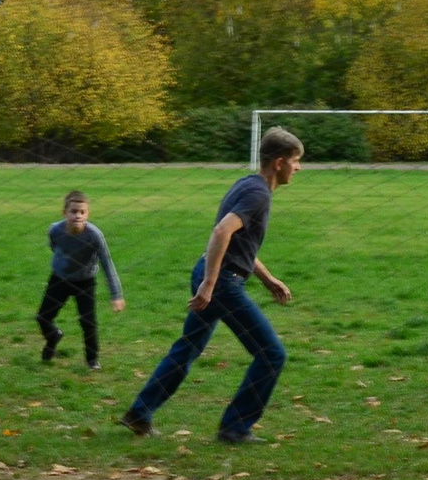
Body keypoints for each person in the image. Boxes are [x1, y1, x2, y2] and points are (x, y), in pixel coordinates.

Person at [122, 127, 303, 444]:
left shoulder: (247, 184)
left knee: (187, 349)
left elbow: (236, 241)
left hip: (213, 274)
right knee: (272, 354)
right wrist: (209, 284)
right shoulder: (259, 194)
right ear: (279, 162)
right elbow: (221, 232)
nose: (298, 168)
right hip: (222, 283)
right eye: (296, 161)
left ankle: (140, 412)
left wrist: (266, 277)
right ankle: (235, 428)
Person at [40, 189, 126, 368]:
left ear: (88, 214)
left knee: (88, 321)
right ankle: (53, 337)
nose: (77, 216)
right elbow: (54, 246)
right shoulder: (55, 230)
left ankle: (92, 360)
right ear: (64, 213)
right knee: (43, 317)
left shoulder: (94, 235)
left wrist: (116, 295)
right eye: (73, 211)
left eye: (82, 212)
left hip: (85, 282)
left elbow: (107, 264)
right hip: (60, 278)